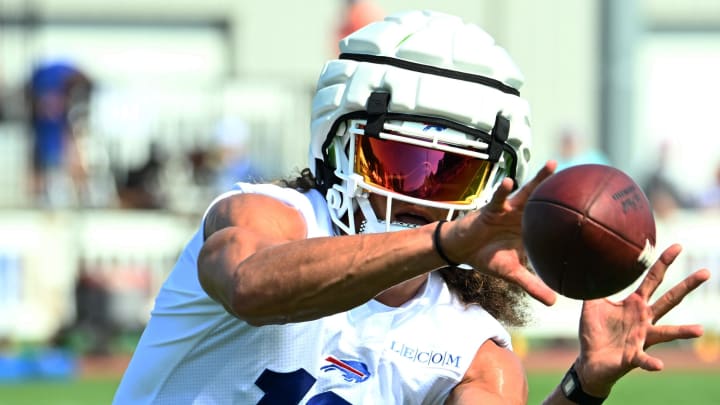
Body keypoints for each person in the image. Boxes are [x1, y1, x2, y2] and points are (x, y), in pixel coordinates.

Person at [113, 10, 710, 404]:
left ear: (488, 186)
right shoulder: (266, 214)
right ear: (339, 146)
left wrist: (582, 388)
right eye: (397, 161)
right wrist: (444, 245)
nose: (420, 192)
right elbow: (250, 286)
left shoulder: (475, 353)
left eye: (454, 173)